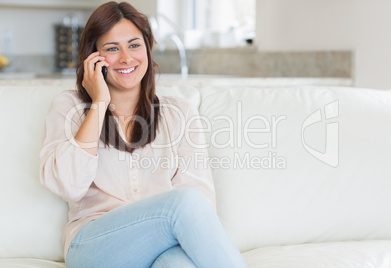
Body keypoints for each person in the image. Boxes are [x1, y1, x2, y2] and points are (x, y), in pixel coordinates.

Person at [39, 1, 247, 267]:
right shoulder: (70, 108)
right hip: (92, 248)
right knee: (184, 203)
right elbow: (68, 184)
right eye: (112, 48)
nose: (126, 57)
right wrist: (99, 102)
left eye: (134, 45)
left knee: (177, 264)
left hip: (160, 243)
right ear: (94, 58)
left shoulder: (179, 113)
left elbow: (201, 206)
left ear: (148, 49)